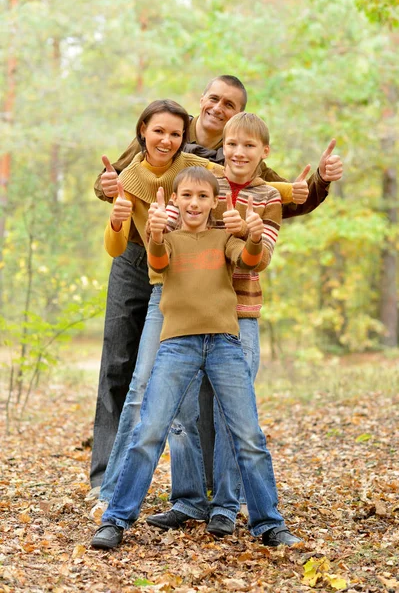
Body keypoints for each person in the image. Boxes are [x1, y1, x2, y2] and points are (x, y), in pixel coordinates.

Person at [89, 74, 343, 497]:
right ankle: (105, 479)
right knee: (120, 364)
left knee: (195, 384)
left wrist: (319, 181)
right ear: (200, 101)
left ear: (237, 120)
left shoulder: (229, 158)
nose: (218, 108)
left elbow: (277, 193)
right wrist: (107, 187)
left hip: (195, 273)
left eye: (230, 104)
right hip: (138, 255)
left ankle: (206, 487)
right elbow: (116, 178)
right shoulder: (169, 127)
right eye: (214, 99)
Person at [92, 113, 288, 534]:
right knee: (152, 429)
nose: (195, 203)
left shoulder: (225, 236)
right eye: (187, 197)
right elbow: (157, 261)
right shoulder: (166, 235)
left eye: (203, 196)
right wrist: (157, 235)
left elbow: (255, 259)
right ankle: (116, 516)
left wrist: (253, 234)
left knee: (247, 435)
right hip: (177, 343)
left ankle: (266, 521)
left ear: (216, 201)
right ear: (175, 201)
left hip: (224, 341)